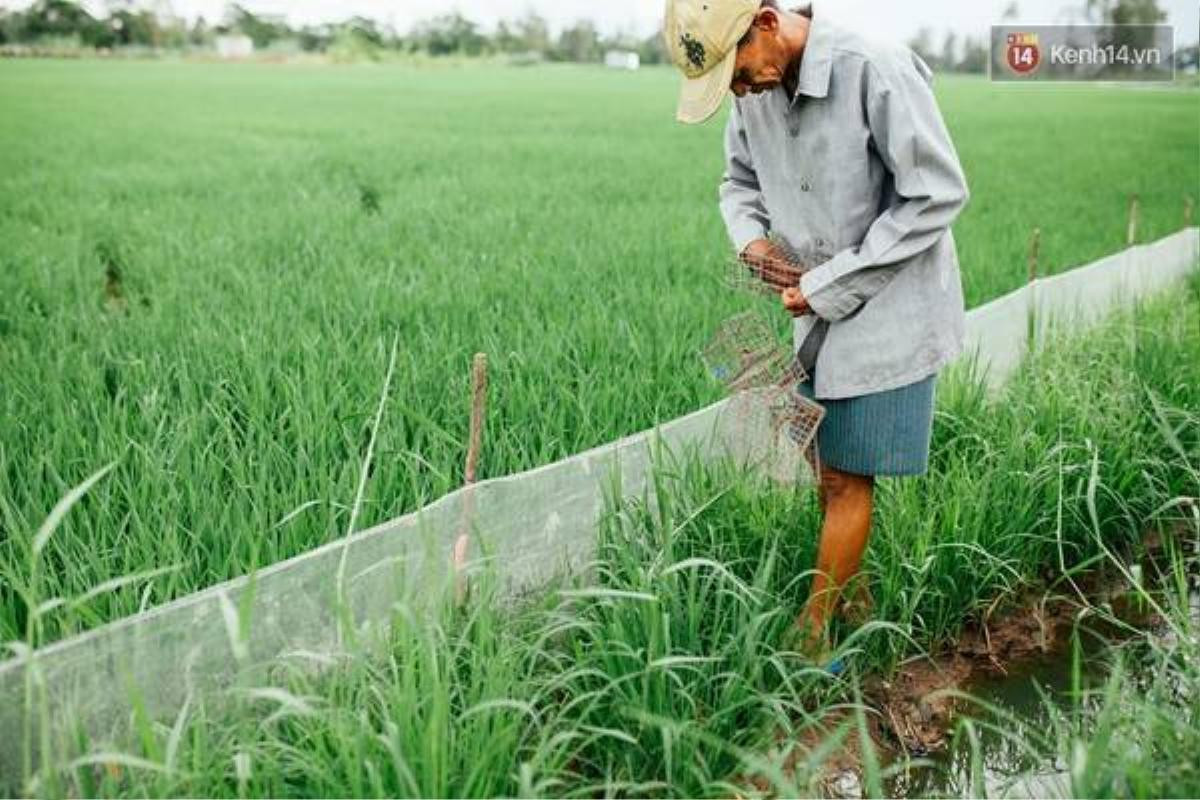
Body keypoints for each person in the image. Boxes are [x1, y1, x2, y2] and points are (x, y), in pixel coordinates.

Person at [663, 0, 970, 669]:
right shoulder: (756, 90)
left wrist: (832, 283)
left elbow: (936, 194)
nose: (741, 92)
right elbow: (737, 182)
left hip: (885, 303)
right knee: (822, 465)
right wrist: (752, 243)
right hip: (805, 309)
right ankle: (854, 606)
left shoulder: (874, 70)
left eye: (739, 74)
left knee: (844, 479)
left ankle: (812, 637)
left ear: (767, 23)